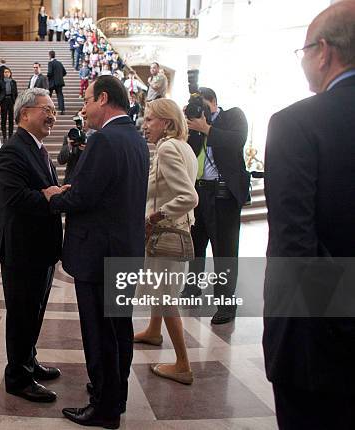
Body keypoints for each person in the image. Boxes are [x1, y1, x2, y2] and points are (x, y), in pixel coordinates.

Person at [263, 2, 355, 429]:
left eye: (301, 51)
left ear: (323, 51)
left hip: (320, 349)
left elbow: (295, 246)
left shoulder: (297, 123)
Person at [45, 76, 150, 428]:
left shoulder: (105, 139)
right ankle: (114, 397)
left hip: (99, 255)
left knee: (101, 333)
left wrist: (54, 197)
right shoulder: (134, 137)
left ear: (104, 98)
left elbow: (83, 197)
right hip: (124, 251)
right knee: (119, 331)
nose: (84, 109)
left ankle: (103, 409)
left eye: (88, 100)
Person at [0, 88, 63, 403]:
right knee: (22, 315)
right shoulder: (13, 150)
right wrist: (48, 195)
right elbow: (13, 198)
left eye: (53, 110)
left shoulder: (39, 149)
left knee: (35, 313)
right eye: (46, 110)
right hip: (22, 251)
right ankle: (18, 377)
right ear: (25, 113)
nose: (52, 115)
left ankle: (29, 360)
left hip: (42, 250)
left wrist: (56, 191)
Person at [134, 98, 198, 385]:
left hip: (166, 233)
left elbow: (188, 197)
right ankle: (153, 330)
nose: (144, 125)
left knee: (166, 295)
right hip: (176, 231)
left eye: (149, 120)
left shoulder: (168, 147)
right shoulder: (184, 147)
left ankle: (183, 364)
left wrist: (153, 218)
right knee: (162, 289)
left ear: (167, 123)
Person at [182, 87, 249, 325]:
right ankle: (192, 289)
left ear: (214, 102)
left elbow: (236, 140)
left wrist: (207, 128)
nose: (201, 113)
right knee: (195, 245)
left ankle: (225, 305)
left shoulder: (233, 116)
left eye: (204, 107)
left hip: (224, 195)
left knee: (225, 252)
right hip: (198, 192)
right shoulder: (194, 127)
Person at [57, 112, 86, 184]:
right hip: (71, 181)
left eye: (84, 118)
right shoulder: (71, 136)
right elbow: (61, 160)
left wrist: (87, 150)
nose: (81, 123)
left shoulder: (96, 137)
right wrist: (69, 147)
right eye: (78, 121)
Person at [0, 68, 18, 140]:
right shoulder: (0, 82)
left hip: (11, 101)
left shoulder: (13, 82)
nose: (6, 73)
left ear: (10, 73)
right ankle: (4, 136)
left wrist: (16, 103)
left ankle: (10, 136)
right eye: (5, 72)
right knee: (3, 119)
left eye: (8, 72)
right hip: (3, 101)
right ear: (3, 74)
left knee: (11, 119)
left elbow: (16, 94)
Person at [47, 50, 67, 115]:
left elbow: (50, 73)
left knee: (49, 95)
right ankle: (62, 109)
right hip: (59, 82)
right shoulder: (59, 63)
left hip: (52, 82)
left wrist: (47, 77)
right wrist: (59, 76)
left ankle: (48, 108)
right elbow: (64, 72)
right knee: (60, 95)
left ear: (50, 56)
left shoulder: (50, 63)